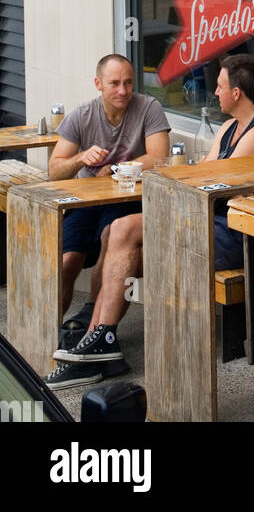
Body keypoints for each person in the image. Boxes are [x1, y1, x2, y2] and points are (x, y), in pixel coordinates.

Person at [47, 55, 254, 389]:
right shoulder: (233, 127)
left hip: (235, 234)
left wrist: (181, 177)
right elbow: (200, 172)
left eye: (219, 86)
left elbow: (204, 178)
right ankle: (97, 343)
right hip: (207, 222)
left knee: (125, 228)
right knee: (119, 239)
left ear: (237, 92)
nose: (215, 92)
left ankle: (98, 343)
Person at [48, 54, 170, 340]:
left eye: (128, 83)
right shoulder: (82, 114)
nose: (123, 91)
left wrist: (115, 169)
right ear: (98, 84)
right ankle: (51, 331)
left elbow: (159, 156)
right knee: (67, 261)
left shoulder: (148, 107)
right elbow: (55, 171)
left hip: (126, 199)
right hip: (86, 199)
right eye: (114, 83)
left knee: (110, 241)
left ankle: (91, 318)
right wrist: (80, 158)